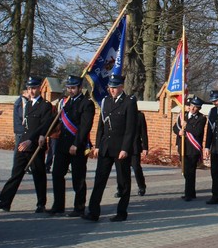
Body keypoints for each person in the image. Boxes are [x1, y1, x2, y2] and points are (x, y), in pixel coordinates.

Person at [0, 76, 53, 213]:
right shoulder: (28, 104)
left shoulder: (45, 106)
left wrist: (32, 139)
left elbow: (44, 125)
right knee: (16, 173)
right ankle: (5, 201)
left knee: (39, 175)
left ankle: (41, 204)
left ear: (40, 89)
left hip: (35, 144)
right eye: (29, 88)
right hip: (23, 144)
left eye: (34, 88)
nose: (31, 91)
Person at [84, 74, 138, 222]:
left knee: (123, 182)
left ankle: (122, 212)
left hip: (120, 148)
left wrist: (125, 148)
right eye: (110, 87)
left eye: (115, 87)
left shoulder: (129, 102)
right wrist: (97, 145)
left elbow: (130, 129)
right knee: (99, 180)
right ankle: (93, 212)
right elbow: (101, 125)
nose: (112, 90)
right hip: (106, 147)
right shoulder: (105, 101)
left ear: (121, 87)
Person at [50, 76, 94, 217]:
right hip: (63, 145)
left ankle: (79, 207)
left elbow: (85, 126)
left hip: (78, 147)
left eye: (73, 88)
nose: (70, 90)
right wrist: (43, 135)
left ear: (80, 88)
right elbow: (56, 121)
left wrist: (76, 144)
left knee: (78, 178)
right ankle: (58, 205)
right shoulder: (65, 103)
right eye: (69, 87)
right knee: (57, 174)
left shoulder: (87, 104)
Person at [173, 96, 207, 201]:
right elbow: (175, 127)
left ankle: (189, 194)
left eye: (195, 107)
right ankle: (191, 192)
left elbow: (197, 132)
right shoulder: (184, 115)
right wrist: (179, 132)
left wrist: (186, 126)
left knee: (190, 171)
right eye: (192, 106)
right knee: (185, 171)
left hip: (193, 149)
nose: (192, 108)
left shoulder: (201, 118)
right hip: (183, 147)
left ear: (199, 108)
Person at [118, 100, 148, 198]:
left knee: (136, 167)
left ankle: (141, 186)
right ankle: (121, 189)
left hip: (134, 146)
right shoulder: (122, 114)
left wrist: (145, 147)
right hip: (122, 147)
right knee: (121, 170)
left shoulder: (139, 116)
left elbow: (143, 132)